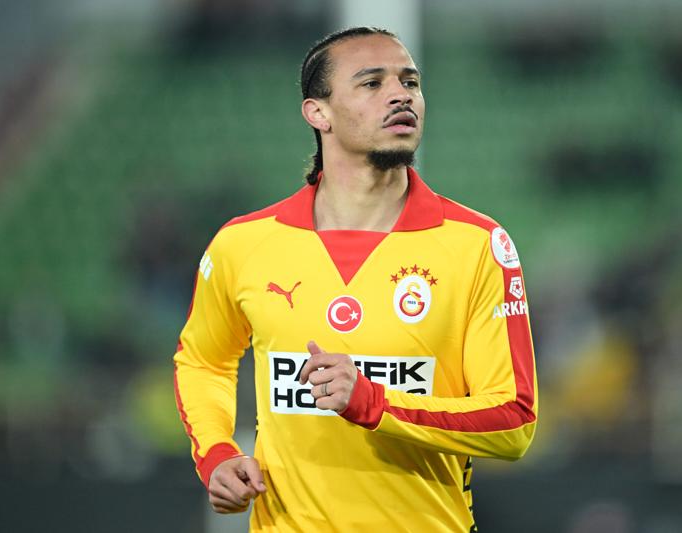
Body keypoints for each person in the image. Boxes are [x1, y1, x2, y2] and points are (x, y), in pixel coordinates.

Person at [173, 26, 538, 532]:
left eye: (410, 82)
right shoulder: (244, 244)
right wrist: (216, 453)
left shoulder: (476, 245)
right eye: (371, 83)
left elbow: (513, 423)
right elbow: (204, 361)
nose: (400, 94)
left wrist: (373, 403)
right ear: (317, 113)